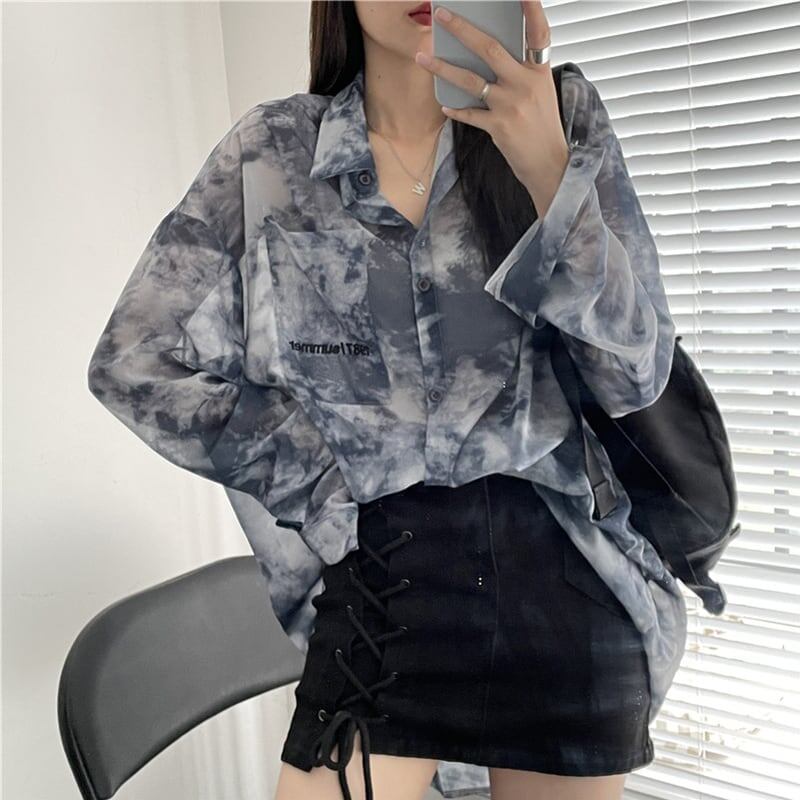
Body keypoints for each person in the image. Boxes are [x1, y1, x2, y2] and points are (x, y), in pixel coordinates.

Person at [87, 2, 688, 799]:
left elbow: (635, 377)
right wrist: (322, 476)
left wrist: (550, 174)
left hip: (562, 583)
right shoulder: (274, 151)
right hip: (382, 584)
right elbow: (135, 361)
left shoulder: (562, 118)